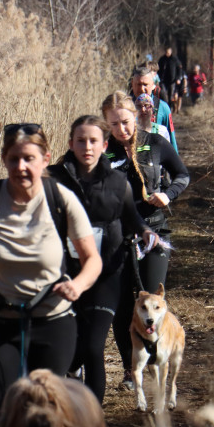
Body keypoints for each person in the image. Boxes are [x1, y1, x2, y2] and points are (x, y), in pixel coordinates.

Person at [0, 124, 102, 427]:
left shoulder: (61, 200)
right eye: (14, 159)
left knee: (42, 417)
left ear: (45, 159)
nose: (21, 167)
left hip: (52, 324)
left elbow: (92, 260)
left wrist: (78, 284)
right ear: (4, 160)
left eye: (29, 158)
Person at [48, 116, 156, 403]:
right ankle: (71, 372)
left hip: (106, 274)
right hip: (64, 275)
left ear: (104, 145)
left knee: (94, 348)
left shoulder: (118, 183)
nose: (87, 146)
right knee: (70, 347)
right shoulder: (53, 180)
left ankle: (91, 419)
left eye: (93, 140)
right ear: (70, 143)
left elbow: (132, 219)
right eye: (80, 140)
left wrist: (146, 232)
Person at [101, 92, 189, 391]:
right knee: (125, 304)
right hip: (118, 237)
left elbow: (182, 174)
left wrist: (168, 194)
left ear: (135, 117)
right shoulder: (102, 150)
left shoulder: (155, 143)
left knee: (151, 300)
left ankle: (157, 359)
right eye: (113, 125)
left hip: (154, 233)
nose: (121, 130)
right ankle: (130, 369)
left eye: (125, 122)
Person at [130, 65, 177, 153]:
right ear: (132, 84)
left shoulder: (163, 108)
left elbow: (172, 140)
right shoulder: (126, 107)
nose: (142, 89)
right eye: (138, 84)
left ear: (152, 85)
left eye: (145, 85)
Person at [157, 47, 184, 114]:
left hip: (172, 81)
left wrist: (178, 78)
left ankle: (170, 108)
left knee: (171, 95)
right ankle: (165, 108)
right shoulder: (162, 59)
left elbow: (180, 69)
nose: (167, 53)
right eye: (166, 52)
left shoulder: (175, 60)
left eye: (168, 52)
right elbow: (157, 69)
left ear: (171, 52)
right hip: (163, 81)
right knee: (163, 94)